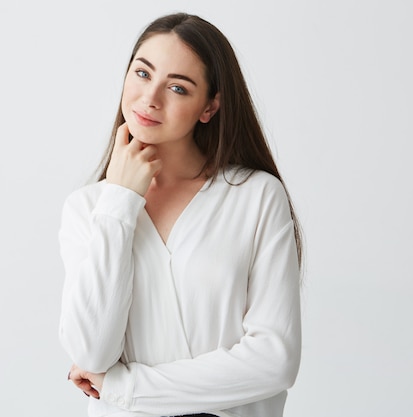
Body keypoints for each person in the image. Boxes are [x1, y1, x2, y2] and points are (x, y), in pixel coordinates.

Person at [58, 12, 303, 417]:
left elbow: (275, 360)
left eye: (177, 87)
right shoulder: (87, 208)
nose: (150, 98)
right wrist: (119, 200)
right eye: (141, 73)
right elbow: (91, 350)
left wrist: (126, 387)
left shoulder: (256, 197)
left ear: (210, 107)